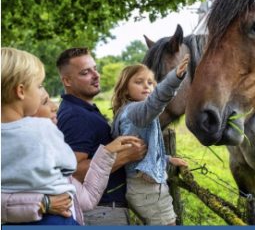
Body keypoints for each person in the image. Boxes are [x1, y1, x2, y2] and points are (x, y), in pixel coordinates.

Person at [1, 89, 142, 225]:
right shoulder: (14, 156)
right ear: (24, 113)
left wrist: (107, 152)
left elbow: (87, 199)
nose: (55, 107)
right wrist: (43, 203)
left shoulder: (52, 160)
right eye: (44, 102)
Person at [55, 47, 147, 225]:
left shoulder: (80, 109)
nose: (95, 75)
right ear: (67, 81)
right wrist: (124, 157)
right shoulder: (76, 116)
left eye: (95, 68)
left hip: (103, 210)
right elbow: (72, 172)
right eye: (85, 72)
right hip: (101, 212)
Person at [110, 55, 190, 225]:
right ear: (125, 89)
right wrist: (174, 79)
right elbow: (156, 102)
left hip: (139, 187)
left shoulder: (125, 112)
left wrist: (168, 159)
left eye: (150, 82)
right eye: (139, 82)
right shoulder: (136, 111)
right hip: (149, 190)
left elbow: (145, 152)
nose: (147, 86)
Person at [1, 47, 78, 225]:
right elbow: (68, 166)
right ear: (21, 91)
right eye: (38, 86)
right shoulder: (42, 128)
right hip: (54, 217)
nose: (40, 92)